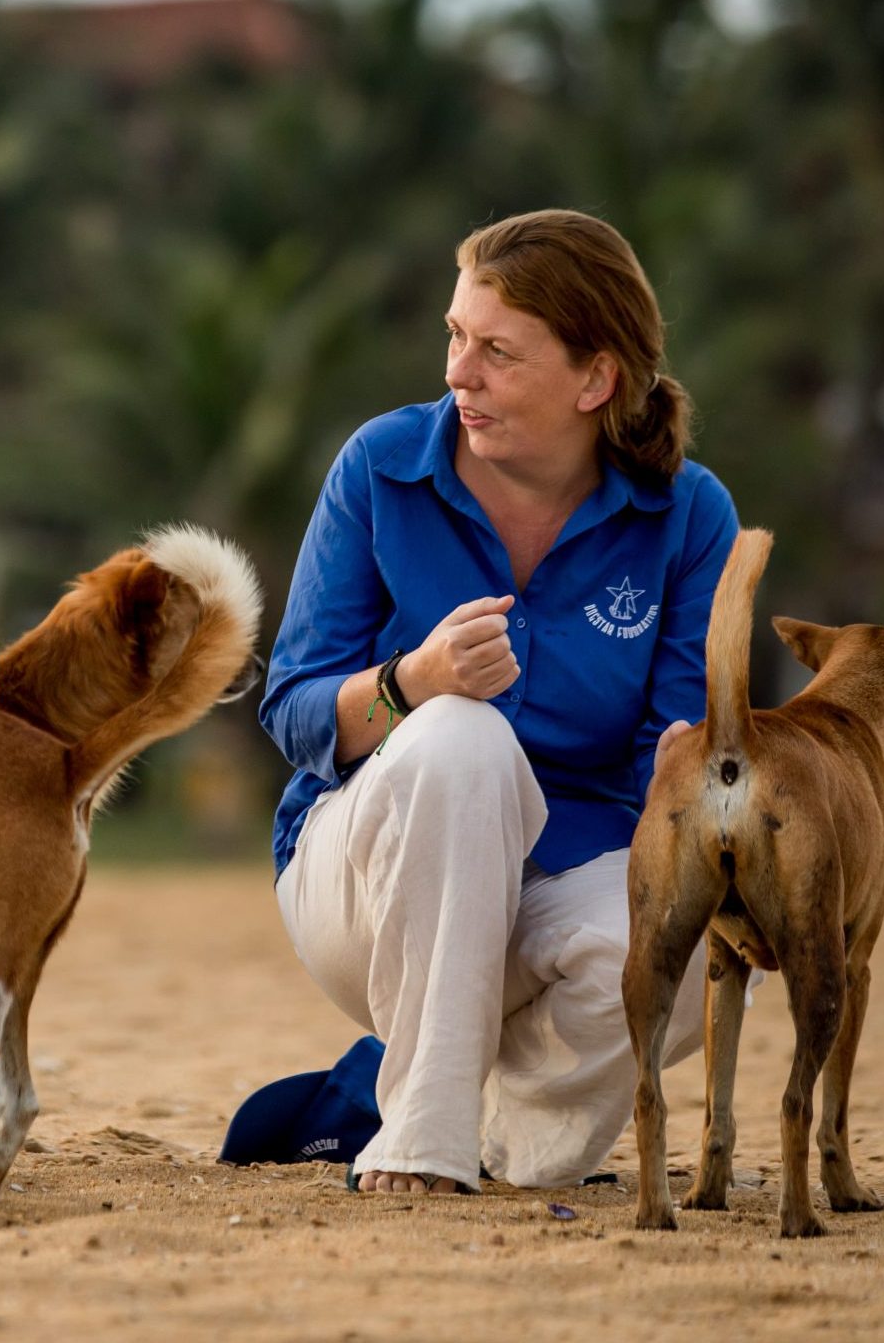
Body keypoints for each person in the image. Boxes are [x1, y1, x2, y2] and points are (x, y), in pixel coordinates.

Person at [256, 209, 736, 1196]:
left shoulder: (691, 514)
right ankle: (423, 1131)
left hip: (574, 873)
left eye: (497, 352)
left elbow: (670, 764)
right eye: (453, 337)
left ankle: (452, 1115)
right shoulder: (380, 469)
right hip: (370, 877)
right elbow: (294, 713)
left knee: (692, 948)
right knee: (461, 740)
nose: (456, 375)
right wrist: (412, 684)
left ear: (595, 379)